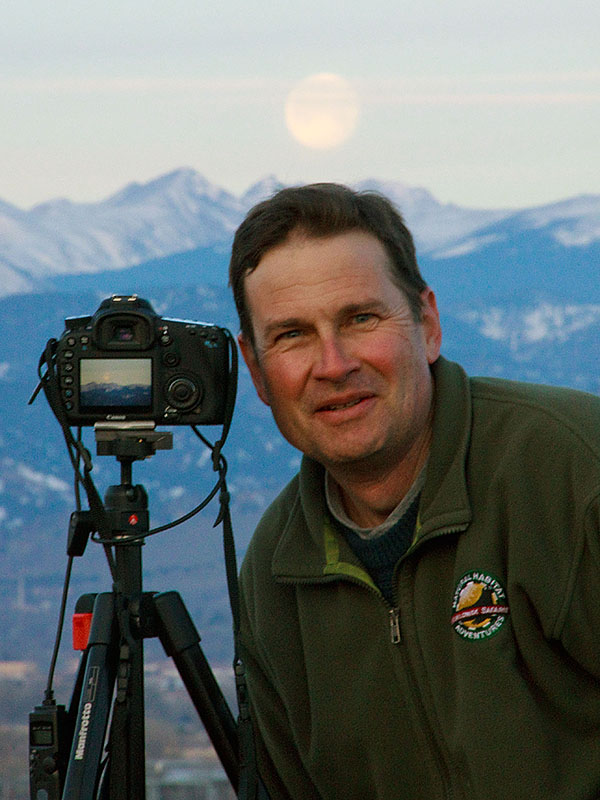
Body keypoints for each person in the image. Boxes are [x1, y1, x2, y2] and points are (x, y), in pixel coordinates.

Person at [228, 183, 600, 800]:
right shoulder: (275, 572)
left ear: (427, 324)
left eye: (360, 318)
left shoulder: (572, 475)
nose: (333, 363)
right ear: (258, 372)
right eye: (292, 335)